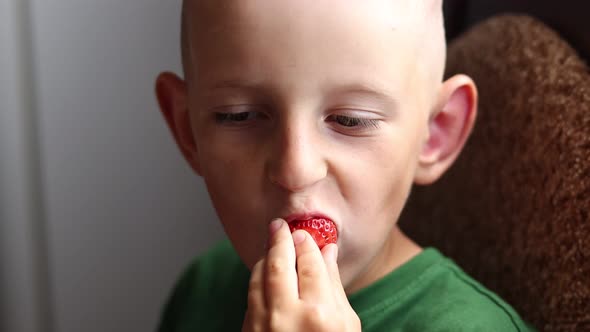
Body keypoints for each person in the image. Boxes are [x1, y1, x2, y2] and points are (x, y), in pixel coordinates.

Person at [154, 0, 535, 331]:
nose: (295, 170)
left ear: (435, 132)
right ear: (189, 131)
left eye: (351, 120)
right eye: (239, 115)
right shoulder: (204, 288)